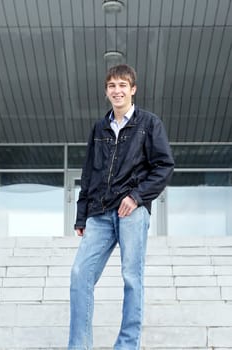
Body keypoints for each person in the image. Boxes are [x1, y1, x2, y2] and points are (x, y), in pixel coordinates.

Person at [68, 64, 174, 350]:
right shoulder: (99, 128)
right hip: (99, 215)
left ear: (133, 89)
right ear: (106, 91)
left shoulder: (149, 123)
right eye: (112, 85)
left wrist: (137, 197)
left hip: (131, 212)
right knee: (80, 275)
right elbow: (89, 172)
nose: (117, 90)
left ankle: (127, 346)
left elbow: (164, 166)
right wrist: (81, 216)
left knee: (131, 277)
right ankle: (78, 346)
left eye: (122, 85)